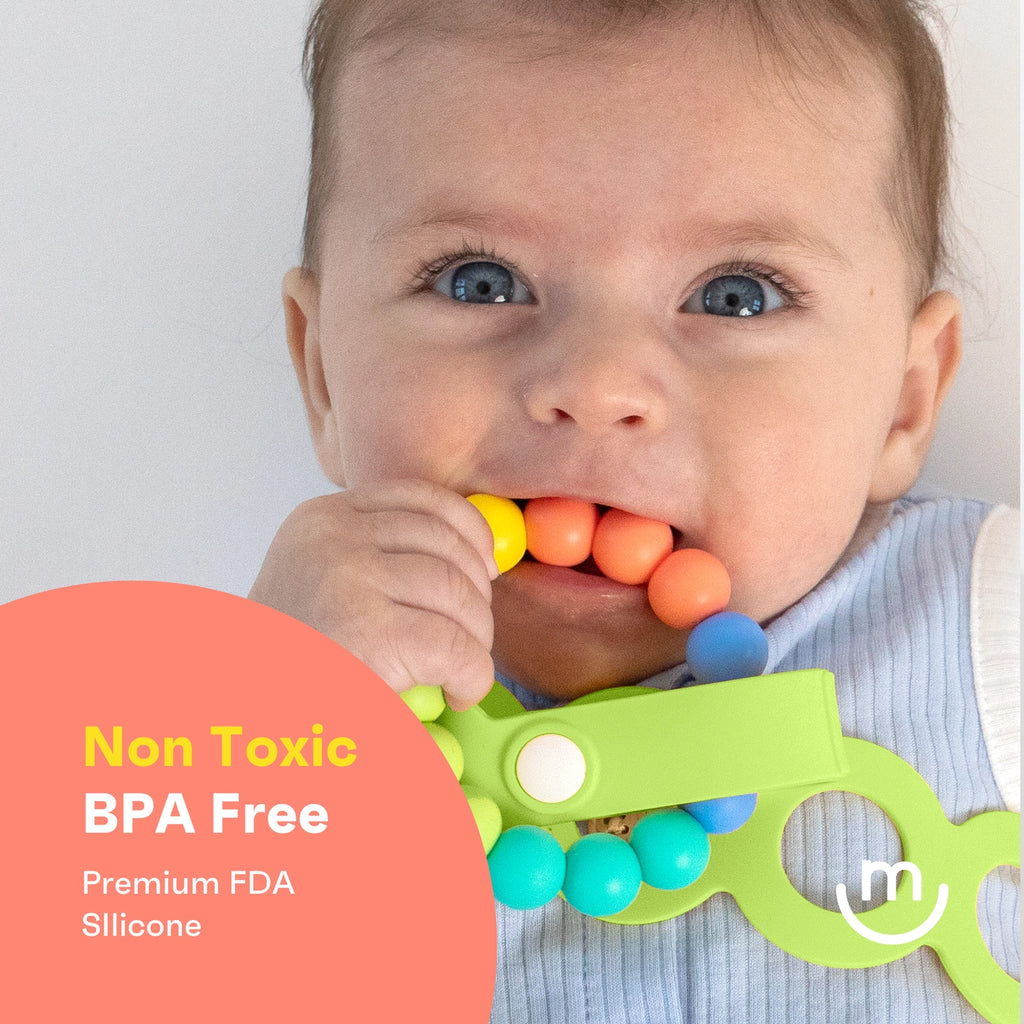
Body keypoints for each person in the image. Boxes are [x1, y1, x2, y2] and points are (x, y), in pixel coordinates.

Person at [250, 0, 1020, 1019]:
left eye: (735, 294)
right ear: (325, 379)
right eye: (480, 282)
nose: (597, 380)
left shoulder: (989, 619)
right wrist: (262, 718)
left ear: (904, 400)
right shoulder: (256, 717)